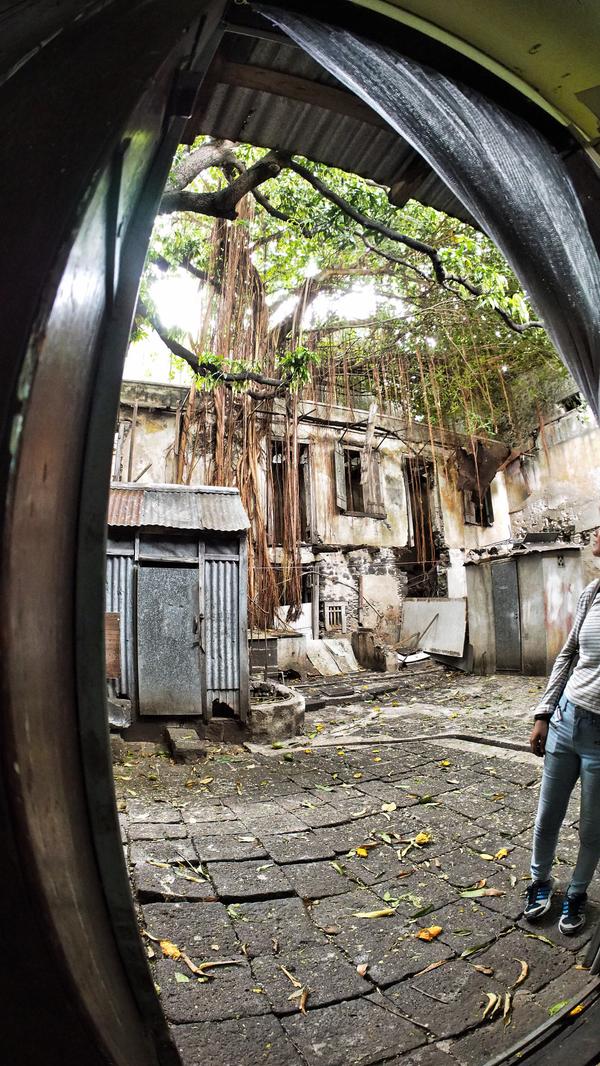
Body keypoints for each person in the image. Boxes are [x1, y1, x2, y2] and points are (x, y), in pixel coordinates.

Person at [525, 526, 600, 934]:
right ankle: (540, 883)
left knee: (593, 826)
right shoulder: (593, 593)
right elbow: (568, 654)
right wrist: (544, 712)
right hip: (566, 720)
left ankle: (577, 891)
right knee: (547, 815)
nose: (596, 533)